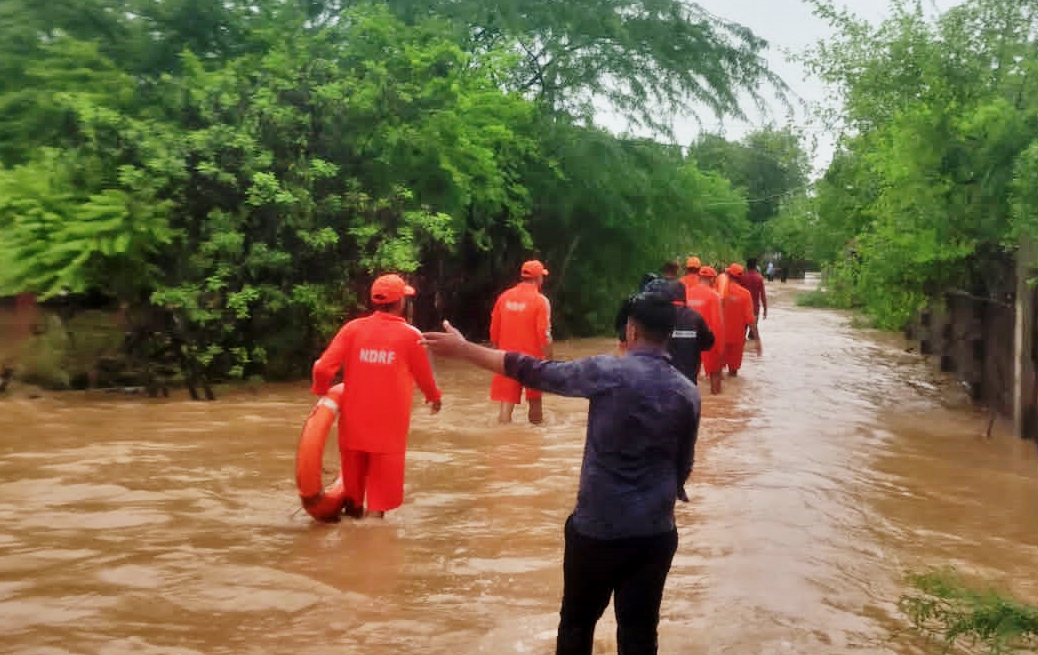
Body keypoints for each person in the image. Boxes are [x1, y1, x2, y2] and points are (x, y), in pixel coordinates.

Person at [421, 292, 700, 655]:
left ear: (631, 331)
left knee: (576, 625)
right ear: (669, 334)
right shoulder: (688, 393)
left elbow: (533, 370)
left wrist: (464, 349)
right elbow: (684, 468)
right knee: (640, 633)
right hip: (655, 533)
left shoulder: (606, 372)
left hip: (597, 529)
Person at [311, 274, 442, 519]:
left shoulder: (352, 329)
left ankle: (350, 547)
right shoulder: (411, 336)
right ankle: (372, 551)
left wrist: (321, 393)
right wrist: (434, 398)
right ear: (400, 302)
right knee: (377, 509)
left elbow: (321, 368)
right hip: (388, 435)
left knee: (353, 503)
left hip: (352, 429)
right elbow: (425, 377)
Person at [489, 259, 553, 424]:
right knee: (535, 403)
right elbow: (544, 335)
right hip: (532, 361)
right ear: (539, 278)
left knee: (505, 406)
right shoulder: (541, 301)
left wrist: (496, 356)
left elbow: (494, 332)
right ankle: (536, 440)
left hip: (506, 358)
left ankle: (502, 441)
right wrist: (550, 363)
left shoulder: (504, 297)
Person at [642, 278, 714, 384]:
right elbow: (709, 343)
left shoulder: (658, 316)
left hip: (663, 380)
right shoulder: (696, 317)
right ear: (684, 296)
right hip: (688, 382)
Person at [686, 266, 725, 394]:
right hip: (708, 339)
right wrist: (720, 349)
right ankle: (716, 401)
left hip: (689, 339)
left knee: (689, 376)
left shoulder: (687, 293)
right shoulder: (714, 296)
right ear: (713, 279)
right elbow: (717, 324)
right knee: (715, 372)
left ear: (699, 277)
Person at [721, 264, 762, 376]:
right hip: (737, 338)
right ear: (740, 277)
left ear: (728, 275)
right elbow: (751, 320)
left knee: (717, 372)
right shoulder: (745, 294)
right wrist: (757, 340)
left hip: (720, 337)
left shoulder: (719, 291)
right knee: (733, 373)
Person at [741, 258, 768, 339]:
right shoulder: (759, 278)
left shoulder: (742, 277)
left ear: (747, 266)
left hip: (743, 309)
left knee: (742, 335)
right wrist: (765, 310)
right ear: (756, 266)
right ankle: (752, 351)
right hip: (755, 309)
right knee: (753, 335)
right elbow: (763, 296)